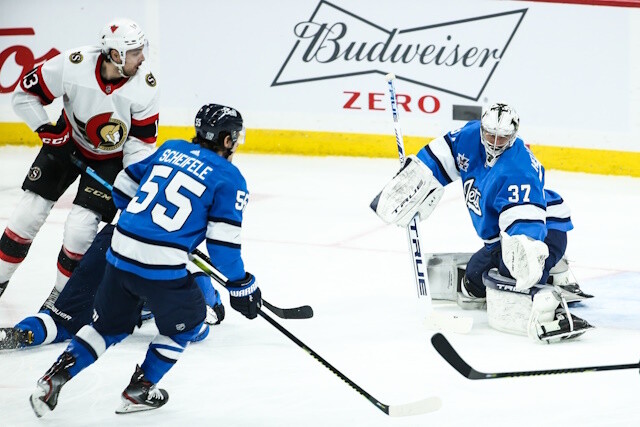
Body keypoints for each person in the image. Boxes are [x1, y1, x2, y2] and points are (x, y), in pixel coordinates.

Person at [29, 104, 261, 417]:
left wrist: (147, 221)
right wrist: (241, 284)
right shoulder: (230, 177)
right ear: (228, 140)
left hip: (119, 249)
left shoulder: (171, 148)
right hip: (160, 265)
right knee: (190, 323)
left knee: (108, 326)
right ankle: (140, 389)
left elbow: (124, 188)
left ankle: (54, 377)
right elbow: (222, 247)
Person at [371, 102, 593, 343]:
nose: (494, 142)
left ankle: (551, 276)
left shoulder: (518, 170)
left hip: (544, 231)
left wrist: (526, 264)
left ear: (513, 135)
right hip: (501, 235)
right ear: (481, 129)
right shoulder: (468, 137)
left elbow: (525, 230)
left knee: (517, 274)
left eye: (502, 138)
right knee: (473, 284)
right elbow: (438, 159)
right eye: (490, 135)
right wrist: (415, 181)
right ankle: (552, 268)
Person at [0, 18, 159, 309]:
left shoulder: (145, 86)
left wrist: (133, 181)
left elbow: (141, 144)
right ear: (114, 55)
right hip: (67, 141)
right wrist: (45, 129)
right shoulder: (73, 64)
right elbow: (24, 96)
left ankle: (63, 301)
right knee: (28, 212)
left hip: (112, 160)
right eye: (135, 52)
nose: (142, 57)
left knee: (80, 229)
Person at [0, 224, 225, 350]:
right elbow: (194, 323)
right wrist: (214, 302)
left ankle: (24, 332)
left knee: (62, 322)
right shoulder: (179, 258)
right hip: (152, 262)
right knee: (192, 328)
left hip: (113, 238)